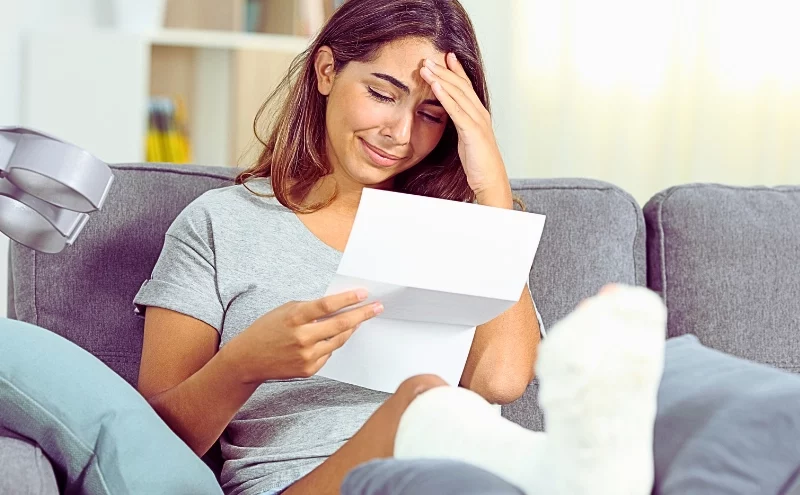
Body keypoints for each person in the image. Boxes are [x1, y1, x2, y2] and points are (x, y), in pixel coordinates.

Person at [133, 0, 543, 493]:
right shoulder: (220, 223)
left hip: (455, 474)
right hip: (304, 481)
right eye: (381, 94)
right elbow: (148, 448)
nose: (400, 134)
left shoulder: (471, 231)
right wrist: (244, 364)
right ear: (327, 70)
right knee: (422, 403)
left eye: (431, 115)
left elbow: (501, 381)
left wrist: (493, 193)